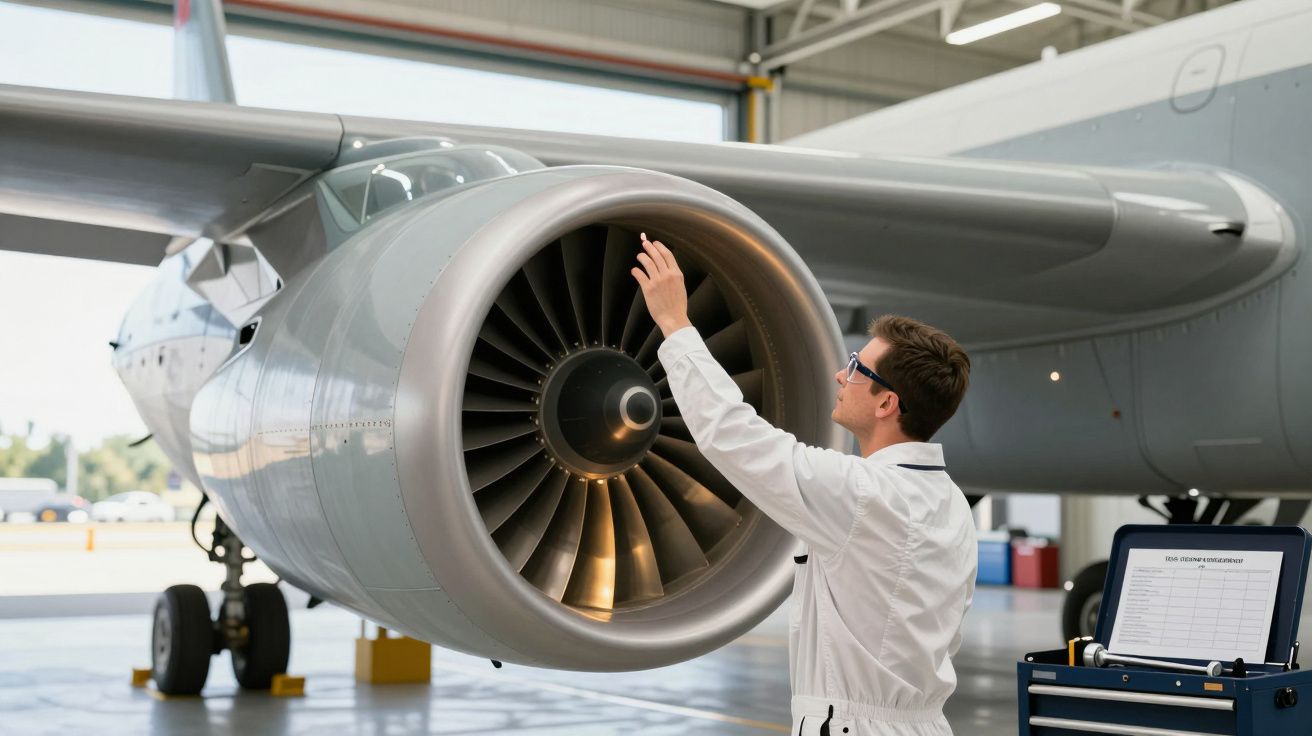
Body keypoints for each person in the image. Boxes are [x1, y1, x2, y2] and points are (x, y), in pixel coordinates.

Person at [631, 233, 977, 736]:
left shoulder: (861, 495)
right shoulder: (952, 507)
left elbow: (732, 434)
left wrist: (675, 324)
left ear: (887, 404)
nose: (841, 374)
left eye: (858, 368)